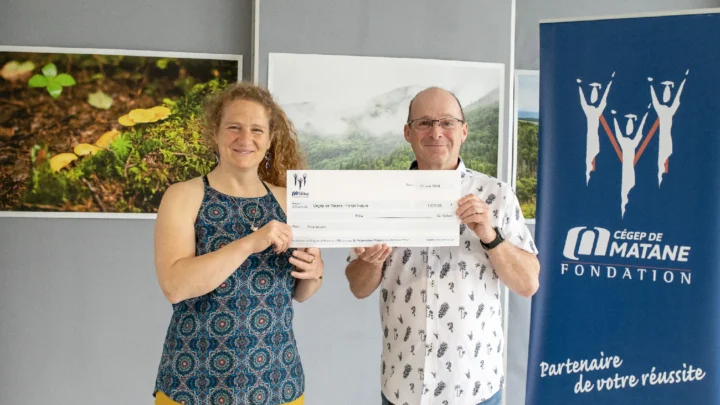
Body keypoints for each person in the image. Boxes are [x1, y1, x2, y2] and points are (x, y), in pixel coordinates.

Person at [344, 87, 540, 405]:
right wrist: (372, 260)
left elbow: (528, 283)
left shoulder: (497, 195)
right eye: (424, 123)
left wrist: (491, 235)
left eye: (447, 122)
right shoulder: (380, 197)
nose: (436, 132)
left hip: (475, 385)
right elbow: (358, 286)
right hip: (403, 384)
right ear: (408, 132)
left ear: (463, 130)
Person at [151, 82, 324, 405]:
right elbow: (175, 286)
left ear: (270, 139)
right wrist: (248, 243)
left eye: (257, 130)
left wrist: (314, 271)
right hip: (193, 384)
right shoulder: (183, 196)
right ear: (214, 134)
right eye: (234, 128)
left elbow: (301, 292)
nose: (246, 139)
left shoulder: (289, 201)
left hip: (277, 380)